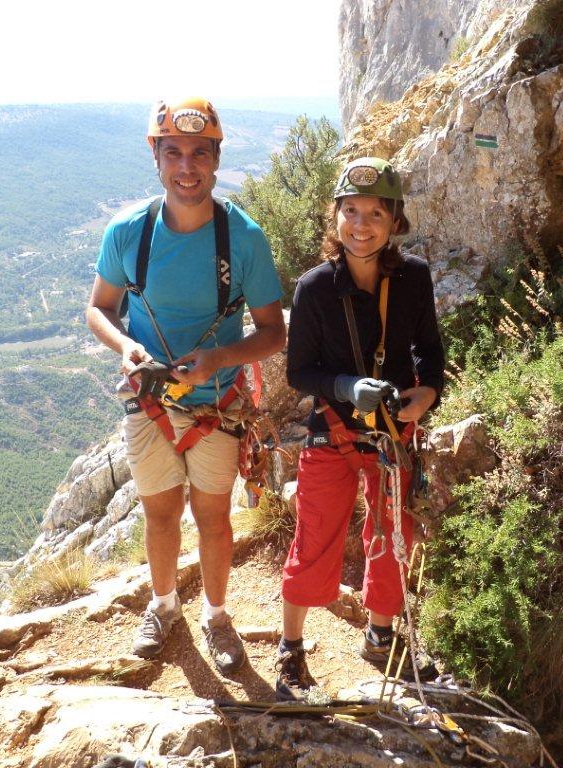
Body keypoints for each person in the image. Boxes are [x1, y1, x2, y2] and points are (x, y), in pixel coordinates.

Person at [86, 97, 286, 675]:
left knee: (214, 517)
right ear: (155, 156)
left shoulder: (243, 238)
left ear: (217, 158)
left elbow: (272, 331)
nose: (187, 166)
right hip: (150, 402)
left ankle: (218, 618)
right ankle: (164, 605)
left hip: (214, 405)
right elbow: (99, 309)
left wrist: (219, 356)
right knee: (160, 514)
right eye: (173, 152)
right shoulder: (129, 232)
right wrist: (127, 347)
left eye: (200, 152)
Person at [276, 157, 445, 701]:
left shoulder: (413, 277)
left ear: (395, 220)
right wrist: (349, 387)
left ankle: (380, 635)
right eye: (351, 210)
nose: (361, 223)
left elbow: (429, 353)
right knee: (316, 537)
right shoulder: (314, 288)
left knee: (395, 536)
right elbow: (299, 371)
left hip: (393, 434)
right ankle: (291, 651)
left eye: (376, 212)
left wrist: (428, 395)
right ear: (336, 217)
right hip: (333, 432)